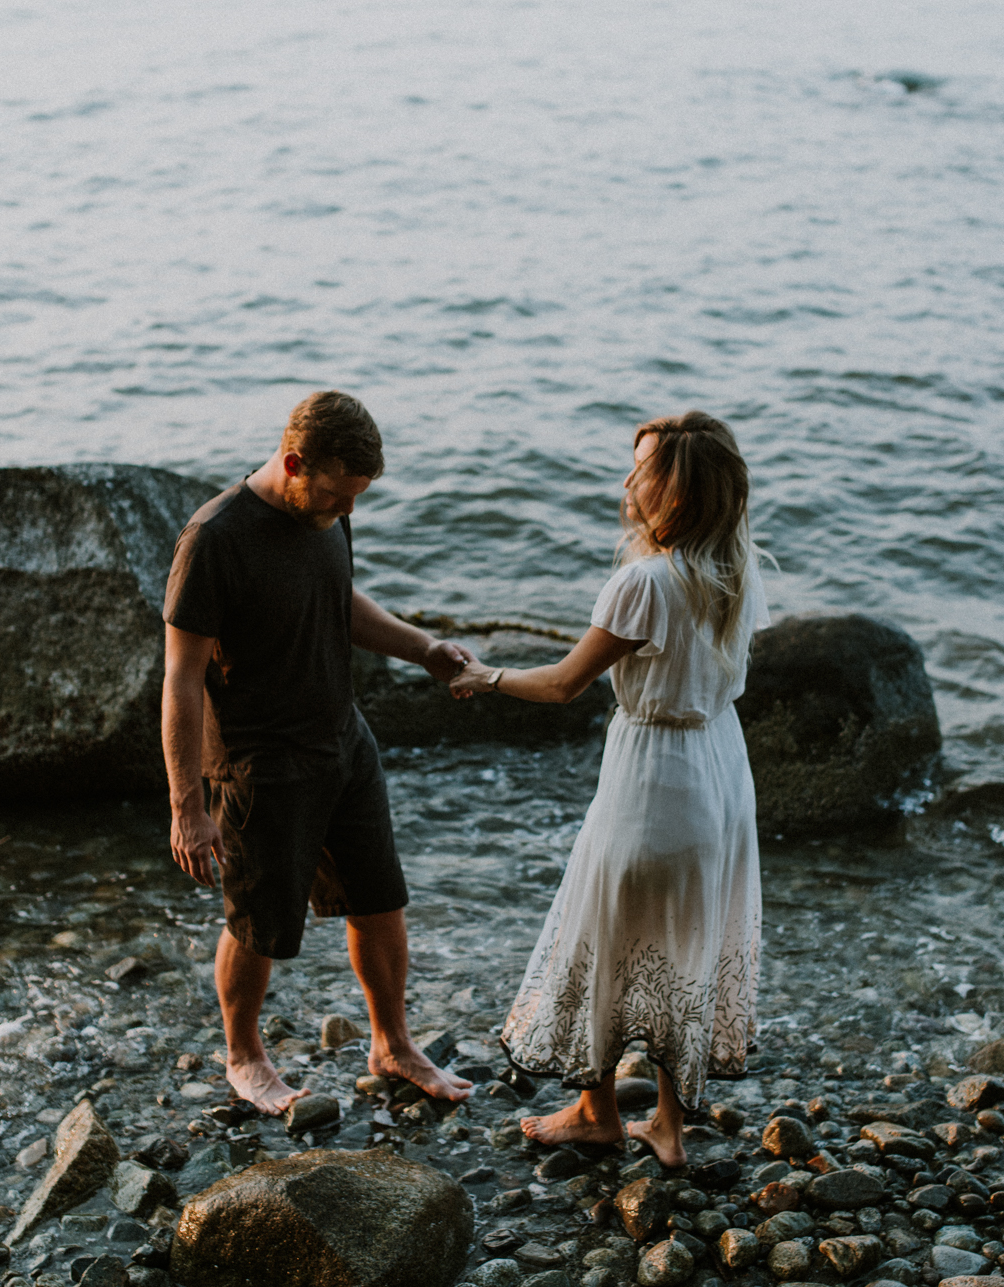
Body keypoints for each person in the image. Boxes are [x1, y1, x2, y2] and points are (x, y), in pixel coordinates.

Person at [449, 411, 766, 1168]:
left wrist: (484, 675)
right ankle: (667, 1124)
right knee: (682, 941)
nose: (629, 483)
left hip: (654, 778)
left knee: (603, 935)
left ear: (677, 493)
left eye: (644, 469)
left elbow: (562, 684)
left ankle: (595, 1112)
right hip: (720, 771)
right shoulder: (736, 571)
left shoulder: (643, 583)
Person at [160, 390, 477, 1114]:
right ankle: (243, 1055)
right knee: (257, 921)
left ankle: (391, 1041)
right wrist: (188, 806)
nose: (349, 512)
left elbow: (340, 600)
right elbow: (179, 680)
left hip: (343, 739)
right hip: (260, 763)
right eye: (338, 495)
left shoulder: (326, 514)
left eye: (357, 498)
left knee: (381, 900)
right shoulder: (215, 538)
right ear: (296, 463)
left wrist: (422, 648)